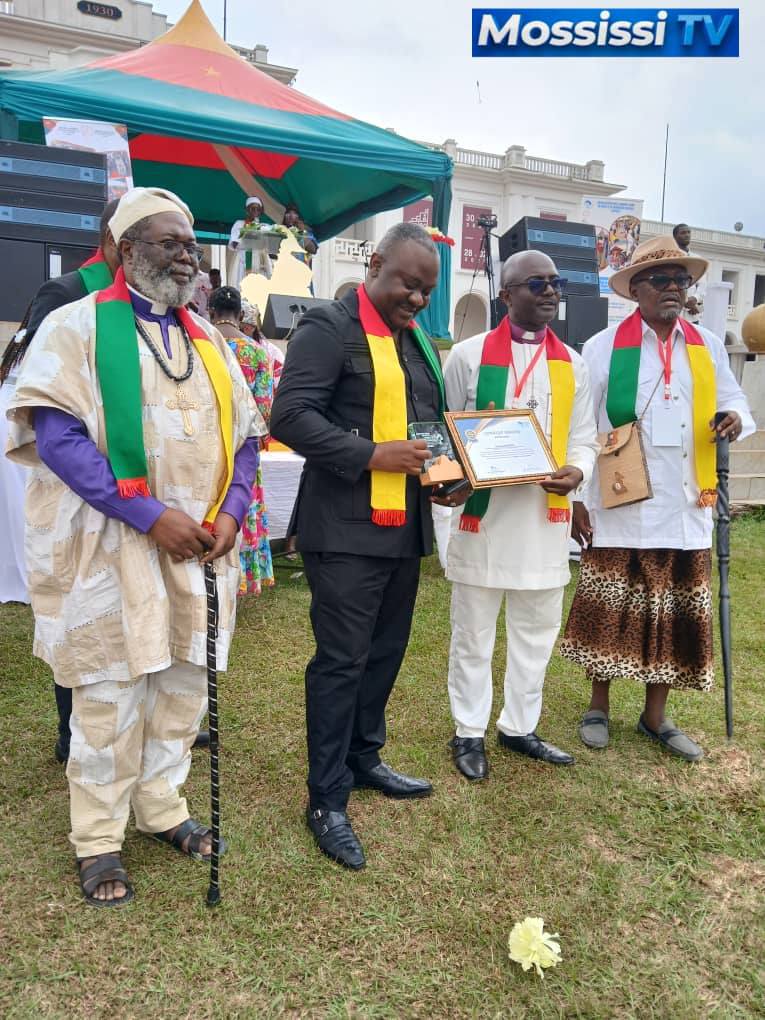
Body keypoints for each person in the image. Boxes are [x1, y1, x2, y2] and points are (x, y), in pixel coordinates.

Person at [6, 186, 266, 907]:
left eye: (190, 242)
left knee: (182, 684)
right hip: (112, 542)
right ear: (126, 251)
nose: (186, 253)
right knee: (108, 695)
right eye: (168, 241)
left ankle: (160, 807)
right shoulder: (76, 326)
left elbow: (244, 439)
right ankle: (97, 837)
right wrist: (152, 516)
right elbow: (57, 436)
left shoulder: (209, 339)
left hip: (200, 548)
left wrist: (234, 511)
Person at [271, 222, 447, 870]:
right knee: (341, 662)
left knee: (384, 654)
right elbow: (289, 415)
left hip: (403, 529)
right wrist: (372, 454)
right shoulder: (328, 327)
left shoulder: (414, 342)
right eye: (407, 283)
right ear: (374, 264)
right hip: (343, 532)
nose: (416, 299)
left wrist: (443, 477)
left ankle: (363, 755)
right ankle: (326, 797)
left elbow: (425, 430)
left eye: (426, 290)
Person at [560, 235, 754, 762]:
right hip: (620, 499)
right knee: (611, 605)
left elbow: (735, 399)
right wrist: (578, 496)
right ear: (635, 290)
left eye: (680, 280)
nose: (673, 289)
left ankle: (655, 716)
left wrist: (736, 419)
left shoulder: (707, 344)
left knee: (671, 610)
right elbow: (580, 425)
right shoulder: (601, 349)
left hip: (686, 498)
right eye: (661, 280)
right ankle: (597, 705)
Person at [443, 251, 599, 781]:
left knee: (536, 631)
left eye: (555, 283)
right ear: (506, 294)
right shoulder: (466, 356)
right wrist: (454, 474)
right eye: (537, 284)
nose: (551, 292)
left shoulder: (574, 365)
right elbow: (447, 431)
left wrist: (577, 472)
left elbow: (584, 436)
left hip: (543, 519)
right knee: (474, 632)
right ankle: (468, 730)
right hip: (482, 518)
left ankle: (519, 726)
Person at [0, 198, 121, 763]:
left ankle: (130, 718)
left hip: (135, 489)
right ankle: (72, 728)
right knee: (84, 606)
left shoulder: (159, 308)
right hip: (77, 483)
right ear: (117, 237)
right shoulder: (68, 293)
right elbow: (27, 384)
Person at [209, 285, 275, 596]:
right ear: (240, 315)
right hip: (244, 445)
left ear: (211, 312)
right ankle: (245, 577)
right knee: (242, 504)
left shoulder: (201, 343)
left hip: (207, 442)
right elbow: (263, 408)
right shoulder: (257, 352)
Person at [228, 196, 268, 286]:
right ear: (247, 210)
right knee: (244, 290)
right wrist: (250, 239)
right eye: (252, 208)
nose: (255, 211)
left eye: (258, 209)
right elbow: (234, 244)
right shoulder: (240, 224)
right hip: (245, 262)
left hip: (260, 264)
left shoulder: (264, 226)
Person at [673, 223, 706, 323]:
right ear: (675, 237)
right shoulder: (671, 258)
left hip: (692, 316)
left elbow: (703, 284)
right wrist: (687, 303)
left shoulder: (697, 259)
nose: (687, 235)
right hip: (675, 312)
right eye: (683, 233)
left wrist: (695, 299)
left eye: (688, 232)